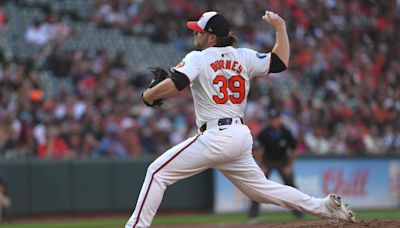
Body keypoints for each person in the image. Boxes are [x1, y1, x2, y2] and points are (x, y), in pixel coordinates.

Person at [126, 10, 357, 227]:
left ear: (212, 38)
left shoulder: (198, 57)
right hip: (238, 136)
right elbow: (280, 62)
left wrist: (148, 95)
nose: (195, 33)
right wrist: (281, 28)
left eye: (199, 31)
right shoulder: (243, 56)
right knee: (261, 191)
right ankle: (323, 207)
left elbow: (178, 84)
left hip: (215, 136)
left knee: (157, 173)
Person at [248, 107, 303, 220]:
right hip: (267, 160)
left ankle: (299, 213)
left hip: (283, 161)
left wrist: (289, 165)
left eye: (276, 118)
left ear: (279, 119)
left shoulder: (286, 132)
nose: (274, 121)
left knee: (291, 186)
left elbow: (293, 150)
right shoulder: (264, 132)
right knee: (258, 186)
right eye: (271, 119)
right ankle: (253, 215)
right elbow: (257, 150)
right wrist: (261, 165)